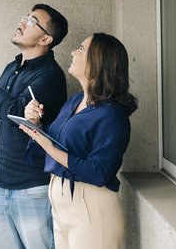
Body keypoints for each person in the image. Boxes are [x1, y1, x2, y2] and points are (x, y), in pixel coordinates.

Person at [20, 32, 137, 249]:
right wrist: (34, 125)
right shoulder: (74, 101)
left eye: (81, 49)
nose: (73, 52)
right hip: (61, 207)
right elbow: (42, 153)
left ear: (97, 63)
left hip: (90, 209)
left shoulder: (112, 116)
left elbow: (99, 171)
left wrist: (48, 146)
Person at [0, 4, 69, 249]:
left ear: (46, 38)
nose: (23, 22)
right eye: (26, 16)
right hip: (0, 185)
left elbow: (16, 116)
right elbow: (1, 124)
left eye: (32, 21)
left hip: (33, 188)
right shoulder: (11, 68)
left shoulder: (50, 75)